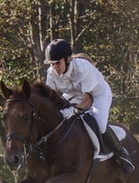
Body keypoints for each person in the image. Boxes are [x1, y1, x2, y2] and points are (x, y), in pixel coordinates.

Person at [44, 38, 132, 171]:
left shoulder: (83, 68)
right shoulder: (51, 73)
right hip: (75, 95)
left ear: (68, 59)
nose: (55, 67)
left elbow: (88, 98)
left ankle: (122, 153)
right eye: (52, 64)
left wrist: (73, 110)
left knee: (100, 125)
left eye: (57, 63)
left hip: (97, 93)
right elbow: (51, 96)